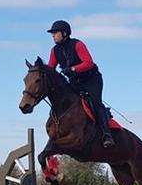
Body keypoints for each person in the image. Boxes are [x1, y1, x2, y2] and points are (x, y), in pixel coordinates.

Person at [46, 20, 115, 148]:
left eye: (55, 33)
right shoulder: (54, 50)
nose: (53, 35)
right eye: (53, 33)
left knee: (95, 102)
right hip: (75, 81)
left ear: (64, 33)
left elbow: (88, 63)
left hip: (91, 80)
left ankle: (107, 134)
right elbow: (51, 69)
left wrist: (72, 69)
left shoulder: (77, 44)